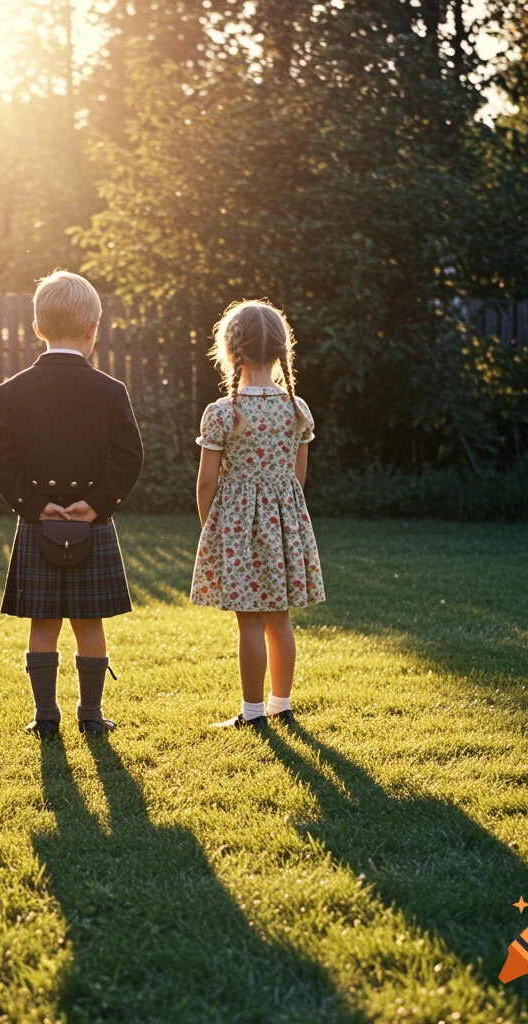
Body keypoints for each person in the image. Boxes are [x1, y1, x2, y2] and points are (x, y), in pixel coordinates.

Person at [0, 270, 143, 738]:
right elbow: (130, 457)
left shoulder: (12, 390)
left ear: (37, 327)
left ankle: (45, 717)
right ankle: (90, 716)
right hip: (92, 523)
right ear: (94, 329)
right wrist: (97, 504)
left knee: (44, 620)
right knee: (89, 621)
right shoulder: (111, 390)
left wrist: (33, 506)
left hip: (40, 523)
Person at [191, 299, 325, 730]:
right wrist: (281, 517)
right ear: (282, 350)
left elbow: (206, 483)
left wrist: (212, 529)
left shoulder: (223, 412)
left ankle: (252, 714)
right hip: (284, 526)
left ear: (231, 351)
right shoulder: (296, 408)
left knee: (250, 622)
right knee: (279, 618)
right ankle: (280, 705)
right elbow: (297, 477)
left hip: (238, 530)